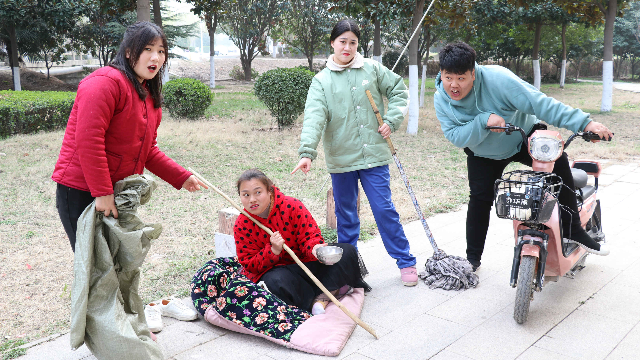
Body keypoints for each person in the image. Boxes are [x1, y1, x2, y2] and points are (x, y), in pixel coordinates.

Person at [433, 42, 613, 271]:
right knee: (479, 199)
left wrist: (585, 123)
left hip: (521, 137)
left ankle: (573, 229)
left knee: (558, 160)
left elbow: (540, 103)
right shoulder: (441, 99)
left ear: (473, 73)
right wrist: (483, 121)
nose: (454, 85)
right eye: (448, 77)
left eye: (461, 78)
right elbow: (455, 136)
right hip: (483, 152)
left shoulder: (498, 80)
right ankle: (472, 259)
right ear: (441, 73)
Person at [52, 21, 207, 252]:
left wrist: (181, 177)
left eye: (161, 51)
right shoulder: (104, 83)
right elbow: (89, 141)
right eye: (147, 49)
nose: (155, 57)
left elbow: (148, 150)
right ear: (128, 51)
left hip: (117, 191)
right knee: (94, 270)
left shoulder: (149, 97)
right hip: (81, 191)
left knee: (114, 266)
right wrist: (103, 193)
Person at [291, 19, 418, 287]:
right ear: (332, 43)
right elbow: (314, 117)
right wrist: (307, 153)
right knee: (346, 218)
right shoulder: (321, 81)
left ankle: (405, 261)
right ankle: (347, 272)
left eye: (353, 42)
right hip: (341, 160)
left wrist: (391, 119)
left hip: (374, 157)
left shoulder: (371, 69)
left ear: (358, 45)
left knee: (384, 210)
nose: (347, 47)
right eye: (342, 41)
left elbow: (398, 90)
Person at [234, 169, 369, 315]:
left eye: (258, 192)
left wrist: (315, 249)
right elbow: (249, 264)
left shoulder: (291, 206)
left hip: (306, 263)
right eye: (246, 195)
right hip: (282, 273)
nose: (252, 199)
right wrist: (273, 251)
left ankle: (323, 297)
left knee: (347, 252)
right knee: (274, 282)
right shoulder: (242, 224)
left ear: (270, 191)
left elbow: (310, 235)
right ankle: (328, 293)